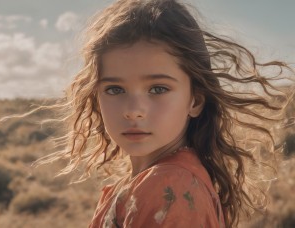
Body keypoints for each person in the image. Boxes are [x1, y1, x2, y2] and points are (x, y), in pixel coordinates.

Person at [21, 0, 294, 227]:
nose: (133, 111)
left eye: (158, 88)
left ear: (195, 100)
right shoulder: (164, 181)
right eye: (115, 90)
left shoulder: (168, 187)